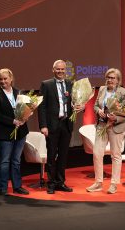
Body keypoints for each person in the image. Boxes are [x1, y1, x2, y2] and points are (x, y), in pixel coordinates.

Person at [38, 60, 84, 194]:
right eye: (58, 69)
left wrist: (81, 107)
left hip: (66, 124)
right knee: (51, 155)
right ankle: (51, 183)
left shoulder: (71, 84)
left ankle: (60, 182)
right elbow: (41, 107)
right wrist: (43, 125)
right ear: (53, 70)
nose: (60, 72)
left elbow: (76, 102)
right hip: (52, 125)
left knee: (63, 155)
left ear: (66, 71)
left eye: (62, 69)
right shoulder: (46, 84)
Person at [86, 68, 125, 194]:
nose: (110, 80)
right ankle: (98, 182)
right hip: (101, 125)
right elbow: (95, 105)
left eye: (113, 78)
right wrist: (97, 110)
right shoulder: (102, 89)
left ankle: (114, 184)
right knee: (97, 153)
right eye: (108, 77)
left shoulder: (124, 92)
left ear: (118, 80)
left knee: (115, 155)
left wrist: (115, 118)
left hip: (116, 126)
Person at [0, 68, 29, 196]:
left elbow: (26, 109)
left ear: (11, 79)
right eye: (0, 79)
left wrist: (25, 116)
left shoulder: (19, 92)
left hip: (21, 132)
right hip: (4, 133)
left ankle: (17, 186)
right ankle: (3, 187)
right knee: (5, 161)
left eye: (5, 78)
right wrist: (13, 121)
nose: (3, 81)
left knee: (16, 160)